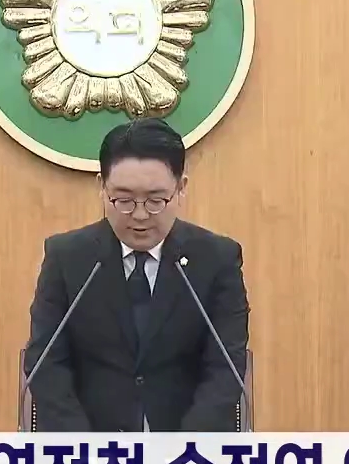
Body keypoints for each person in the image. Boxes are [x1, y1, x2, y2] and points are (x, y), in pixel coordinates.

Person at [23, 118, 250, 432]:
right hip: (88, 447)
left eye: (156, 200)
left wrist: (184, 449)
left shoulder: (216, 260)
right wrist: (83, 449)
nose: (140, 215)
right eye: (124, 200)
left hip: (188, 447)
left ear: (181, 189)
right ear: (102, 187)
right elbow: (46, 364)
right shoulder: (67, 258)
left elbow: (225, 369)